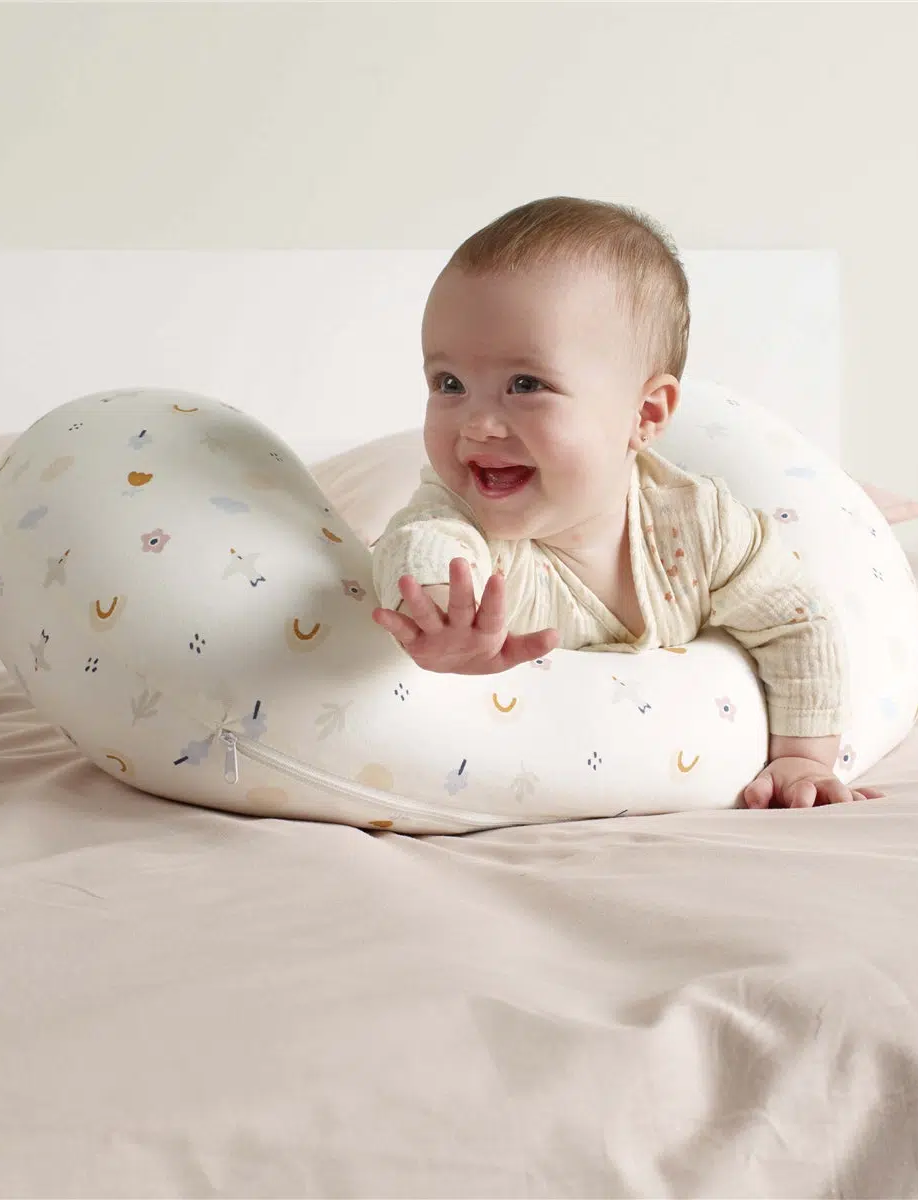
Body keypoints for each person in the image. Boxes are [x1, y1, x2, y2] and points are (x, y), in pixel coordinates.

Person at [371, 197, 881, 810]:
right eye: (448, 383)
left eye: (525, 385)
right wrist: (442, 613)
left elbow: (797, 620)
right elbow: (418, 546)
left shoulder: (700, 526)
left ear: (645, 414)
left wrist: (803, 758)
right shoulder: (460, 521)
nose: (477, 424)